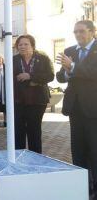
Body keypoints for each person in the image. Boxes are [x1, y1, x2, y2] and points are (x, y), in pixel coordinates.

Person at [56, 20, 97, 197]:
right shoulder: (70, 51)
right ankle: (83, 188)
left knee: (94, 149)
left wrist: (72, 67)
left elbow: (92, 72)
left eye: (81, 31)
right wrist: (66, 71)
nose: (78, 35)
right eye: (75, 32)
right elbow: (60, 77)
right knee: (78, 149)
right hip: (75, 108)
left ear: (92, 31)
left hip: (94, 108)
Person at [13, 34, 54, 153]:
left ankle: (35, 158)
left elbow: (50, 76)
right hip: (18, 100)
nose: (23, 47)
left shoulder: (43, 58)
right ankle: (18, 157)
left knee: (34, 130)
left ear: (32, 46)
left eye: (26, 44)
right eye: (20, 44)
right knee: (18, 131)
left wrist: (30, 76)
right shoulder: (13, 60)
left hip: (37, 100)